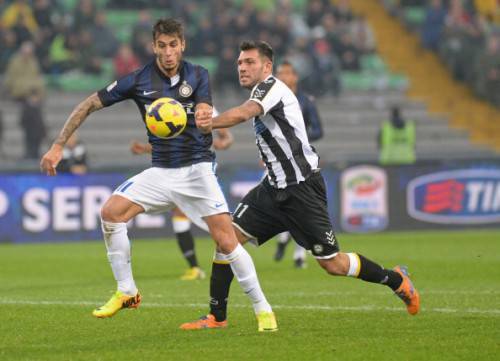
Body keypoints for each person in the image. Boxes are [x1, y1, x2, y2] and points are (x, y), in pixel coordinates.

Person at [40, 19, 277, 332]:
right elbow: (89, 104)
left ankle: (264, 311)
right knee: (111, 213)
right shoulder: (137, 80)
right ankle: (127, 291)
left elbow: (205, 108)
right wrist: (58, 146)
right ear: (154, 47)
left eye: (173, 45)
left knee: (226, 241)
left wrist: (206, 114)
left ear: (182, 45)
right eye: (162, 45)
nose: (168, 52)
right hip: (161, 171)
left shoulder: (198, 74)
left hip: (197, 169)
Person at [181, 40, 420, 331]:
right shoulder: (261, 91)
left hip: (302, 189)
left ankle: (396, 280)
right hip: (271, 189)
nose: (242, 67)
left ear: (267, 67)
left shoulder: (272, 87)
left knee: (333, 265)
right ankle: (217, 317)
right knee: (225, 239)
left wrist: (210, 123)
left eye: (249, 62)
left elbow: (244, 113)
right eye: (240, 63)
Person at [130, 126, 233, 281]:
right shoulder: (174, 108)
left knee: (217, 223)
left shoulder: (205, 109)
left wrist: (222, 143)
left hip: (202, 170)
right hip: (180, 170)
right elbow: (174, 145)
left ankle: (234, 255)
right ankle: (195, 267)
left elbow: (227, 137)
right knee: (180, 213)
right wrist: (145, 148)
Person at [273, 60, 324, 269]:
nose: (283, 77)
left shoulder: (305, 101)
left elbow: (319, 130)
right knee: (279, 204)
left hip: (301, 162)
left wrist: (299, 138)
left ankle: (299, 254)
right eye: (280, 73)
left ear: (295, 77)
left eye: (287, 73)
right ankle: (283, 238)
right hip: (276, 161)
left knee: (301, 206)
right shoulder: (271, 99)